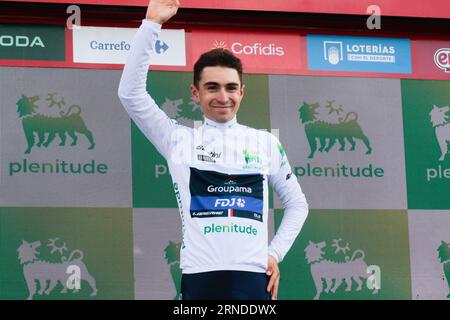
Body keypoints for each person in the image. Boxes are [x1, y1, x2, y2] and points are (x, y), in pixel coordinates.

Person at [118, 0, 309, 300]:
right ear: (195, 93)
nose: (223, 96)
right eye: (212, 87)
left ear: (242, 91)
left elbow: (298, 204)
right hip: (199, 278)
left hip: (254, 280)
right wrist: (151, 25)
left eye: (231, 87)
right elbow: (130, 94)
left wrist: (274, 253)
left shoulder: (266, 143)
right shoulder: (178, 140)